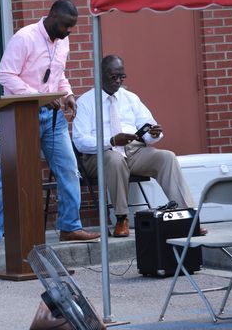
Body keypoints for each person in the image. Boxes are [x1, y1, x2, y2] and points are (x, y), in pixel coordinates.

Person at [0, 0, 100, 252]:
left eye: (72, 26)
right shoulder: (24, 38)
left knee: (69, 169)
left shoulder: (62, 42)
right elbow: (5, 75)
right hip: (23, 114)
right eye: (66, 25)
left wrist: (67, 93)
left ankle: (69, 227)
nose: (69, 31)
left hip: (53, 117)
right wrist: (39, 97)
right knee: (10, 173)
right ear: (52, 16)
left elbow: (58, 73)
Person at [72, 55, 195, 238]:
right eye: (114, 77)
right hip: (100, 155)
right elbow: (80, 141)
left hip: (133, 151)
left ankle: (187, 218)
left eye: (122, 77)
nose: (118, 81)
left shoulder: (131, 98)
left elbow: (148, 127)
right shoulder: (86, 102)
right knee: (115, 159)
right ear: (100, 75)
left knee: (167, 157)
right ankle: (122, 219)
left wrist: (153, 134)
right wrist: (111, 141)